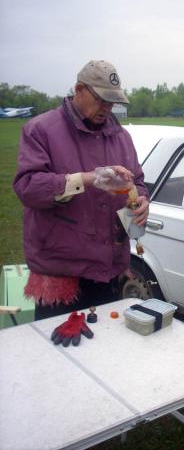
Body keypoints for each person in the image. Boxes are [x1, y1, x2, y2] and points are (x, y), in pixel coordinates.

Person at [13, 60, 149, 320]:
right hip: (62, 272)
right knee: (59, 354)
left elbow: (138, 180)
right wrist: (87, 179)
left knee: (103, 350)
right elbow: (27, 188)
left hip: (108, 270)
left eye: (113, 102)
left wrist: (141, 199)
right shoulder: (41, 130)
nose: (108, 108)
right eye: (101, 100)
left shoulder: (121, 137)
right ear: (79, 90)